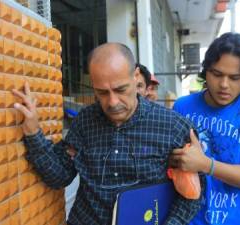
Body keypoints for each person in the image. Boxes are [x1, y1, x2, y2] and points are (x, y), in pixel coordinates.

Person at [12, 43, 202, 225]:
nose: (112, 102)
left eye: (120, 90)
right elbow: (59, 176)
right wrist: (33, 132)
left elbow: (192, 195)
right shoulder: (85, 121)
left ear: (136, 76)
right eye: (102, 93)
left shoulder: (174, 128)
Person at [169, 32, 240, 225]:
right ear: (206, 72)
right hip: (190, 219)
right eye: (217, 74)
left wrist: (206, 165)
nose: (224, 85)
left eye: (235, 78)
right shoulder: (182, 107)